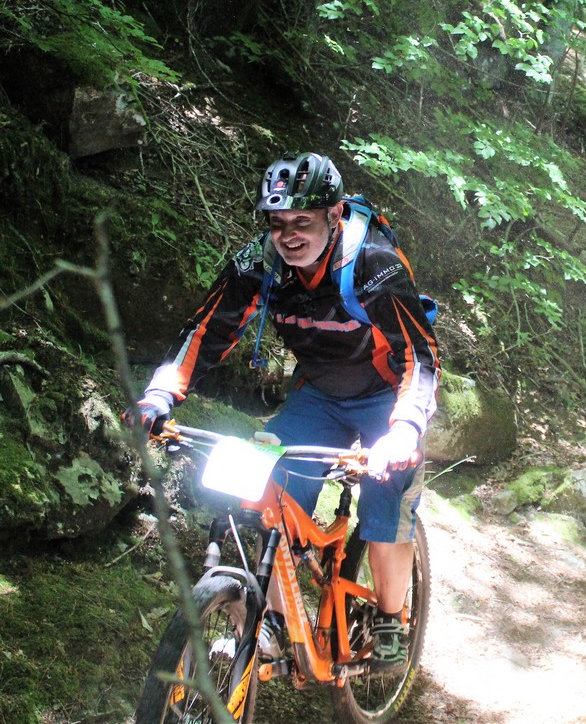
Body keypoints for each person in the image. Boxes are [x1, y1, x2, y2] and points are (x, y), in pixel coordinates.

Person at [125, 152, 440, 667]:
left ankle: (388, 618)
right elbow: (206, 330)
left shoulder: (373, 263)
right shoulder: (263, 263)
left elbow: (418, 355)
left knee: (384, 506)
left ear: (333, 215)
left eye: (302, 222)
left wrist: (404, 429)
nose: (288, 235)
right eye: (277, 223)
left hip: (386, 398)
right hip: (318, 395)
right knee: (269, 493)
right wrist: (160, 395)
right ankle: (271, 623)